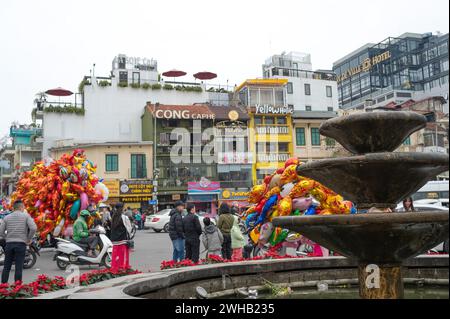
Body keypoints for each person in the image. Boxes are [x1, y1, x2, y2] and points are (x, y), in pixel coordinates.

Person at [0, 200, 37, 283]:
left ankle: (3, 287)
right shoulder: (26, 216)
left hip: (9, 244)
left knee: (6, 267)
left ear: (14, 208)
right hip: (21, 244)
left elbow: (1, 231)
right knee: (18, 267)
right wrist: (28, 239)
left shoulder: (6, 217)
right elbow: (33, 228)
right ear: (21, 207)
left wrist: (7, 238)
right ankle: (17, 287)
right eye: (23, 207)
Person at [110, 203, 132, 271]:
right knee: (122, 255)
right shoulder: (124, 217)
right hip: (123, 239)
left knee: (115, 254)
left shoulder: (113, 217)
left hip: (115, 240)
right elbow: (129, 228)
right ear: (122, 208)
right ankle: (122, 268)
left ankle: (115, 268)